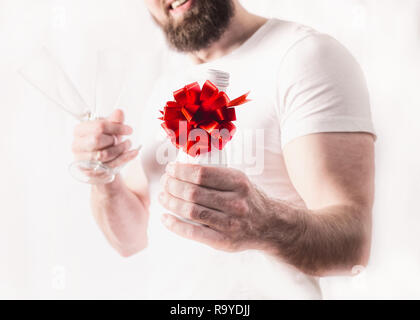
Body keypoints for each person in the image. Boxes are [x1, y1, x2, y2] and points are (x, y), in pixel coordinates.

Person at [71, 0, 376, 299]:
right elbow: (131, 239)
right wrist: (105, 180)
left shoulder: (304, 56)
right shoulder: (163, 87)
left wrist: (264, 225)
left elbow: (352, 247)